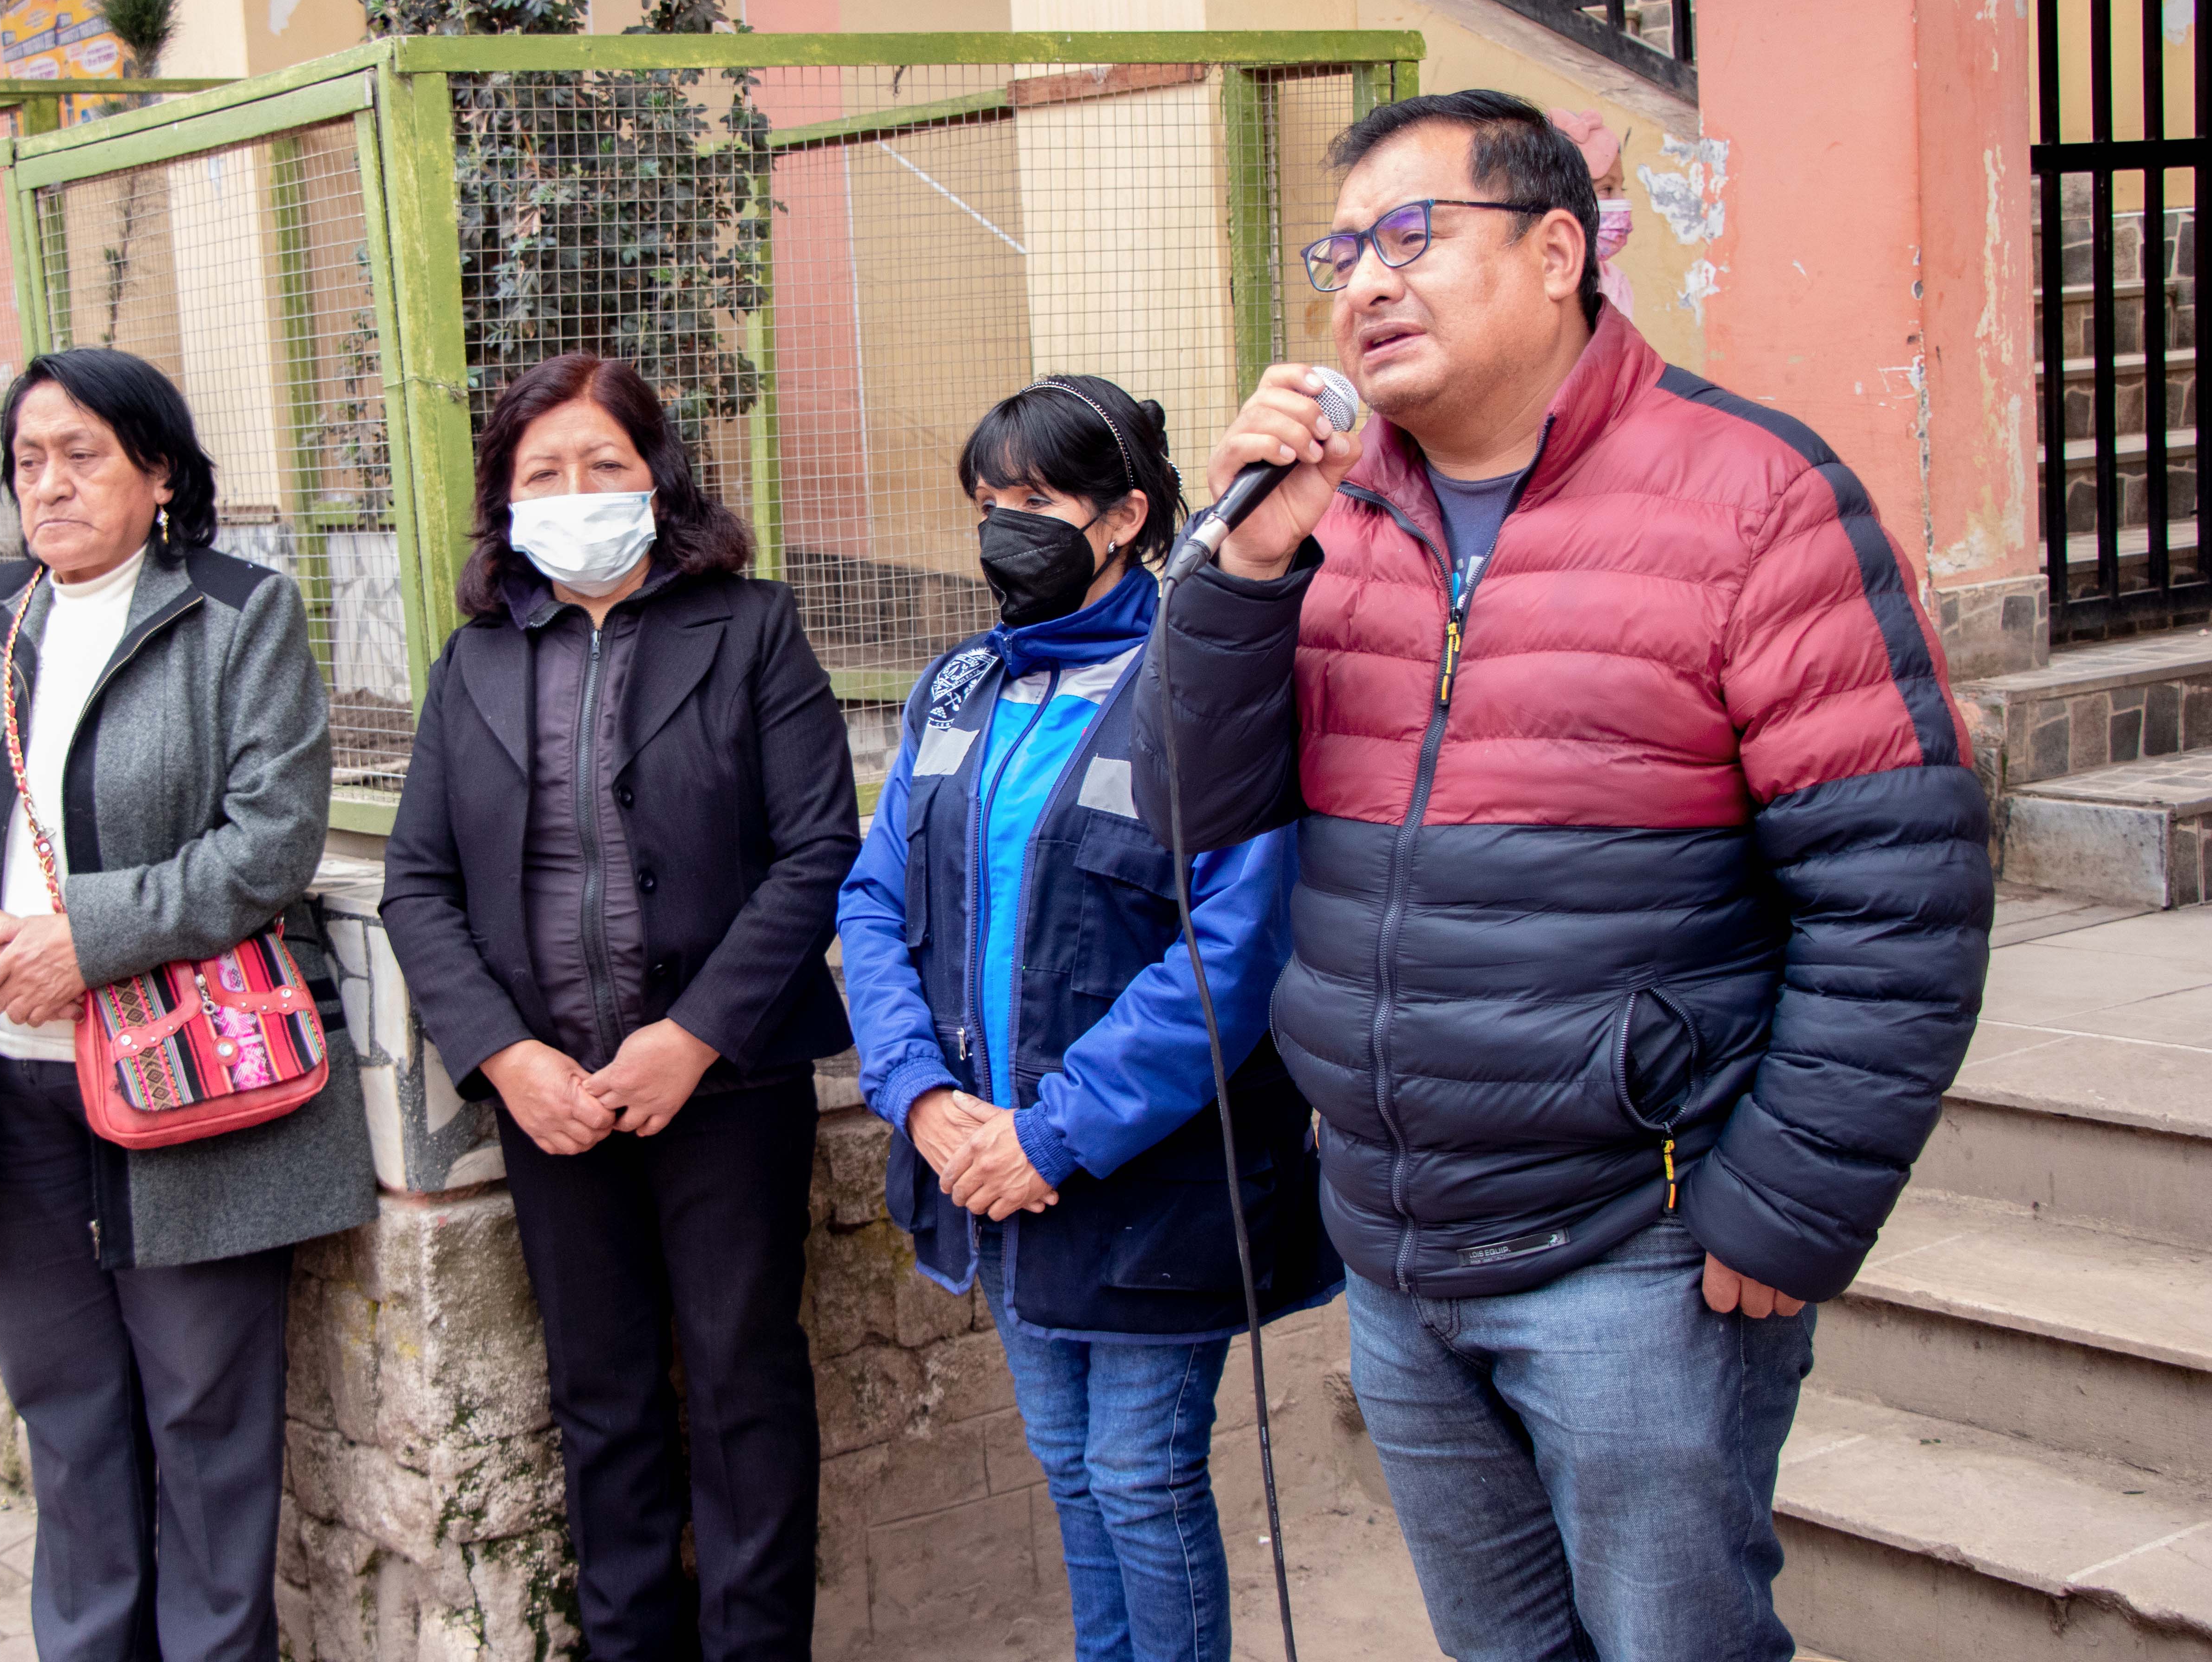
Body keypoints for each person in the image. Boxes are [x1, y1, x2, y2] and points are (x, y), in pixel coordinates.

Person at [1132, 90, 1992, 1660]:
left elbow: (1902, 901)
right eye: (1345, 251)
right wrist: (1240, 572)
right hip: (1392, 1250)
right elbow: (1172, 806)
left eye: (1413, 237)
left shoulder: (1755, 498)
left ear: (1552, 252)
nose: (1366, 284)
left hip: (1639, 1255)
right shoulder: (1332, 519)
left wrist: (1782, 1212)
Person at [0, 345, 375, 1660]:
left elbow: (273, 841)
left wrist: (86, 942)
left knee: (206, 1416)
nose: (51, 484)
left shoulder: (236, 615)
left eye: (82, 454)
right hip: (11, 1079)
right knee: (67, 1410)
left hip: (188, 1086)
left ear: (159, 474)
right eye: (29, 460)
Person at [839, 375, 1338, 1662]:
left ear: (1122, 517)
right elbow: (874, 898)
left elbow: (1232, 947)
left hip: (1139, 1171)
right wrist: (923, 1098)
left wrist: (1051, 1137)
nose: (1005, 527)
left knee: (1139, 1474)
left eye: (1036, 501)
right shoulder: (958, 690)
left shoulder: (1198, 679)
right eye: (987, 504)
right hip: (979, 1160)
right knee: (1067, 1463)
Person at [379, 352, 858, 1662]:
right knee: (600, 1401)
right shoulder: (474, 660)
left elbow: (820, 851)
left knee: (745, 1383)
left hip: (726, 1086)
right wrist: (507, 1057)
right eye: (545, 474)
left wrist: (692, 1035)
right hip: (553, 1100)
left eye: (607, 465)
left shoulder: (750, 628)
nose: (577, 492)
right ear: (506, 499)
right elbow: (417, 885)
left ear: (660, 479)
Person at [1549, 107, 1635, 315]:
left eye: (1620, 189)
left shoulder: (1615, 286)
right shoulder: (1533, 285)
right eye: (1606, 189)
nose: (1622, 203)